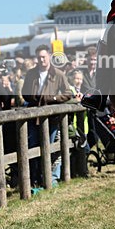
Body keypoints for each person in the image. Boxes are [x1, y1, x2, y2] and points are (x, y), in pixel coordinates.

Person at [22, 44, 72, 190]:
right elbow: (24, 93)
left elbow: (68, 93)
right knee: (33, 148)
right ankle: (35, 178)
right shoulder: (31, 74)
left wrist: (53, 98)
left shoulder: (58, 74)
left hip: (51, 118)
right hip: (33, 116)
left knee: (50, 148)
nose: (41, 60)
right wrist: (35, 97)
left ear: (49, 56)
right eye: (39, 57)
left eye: (43, 57)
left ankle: (50, 178)